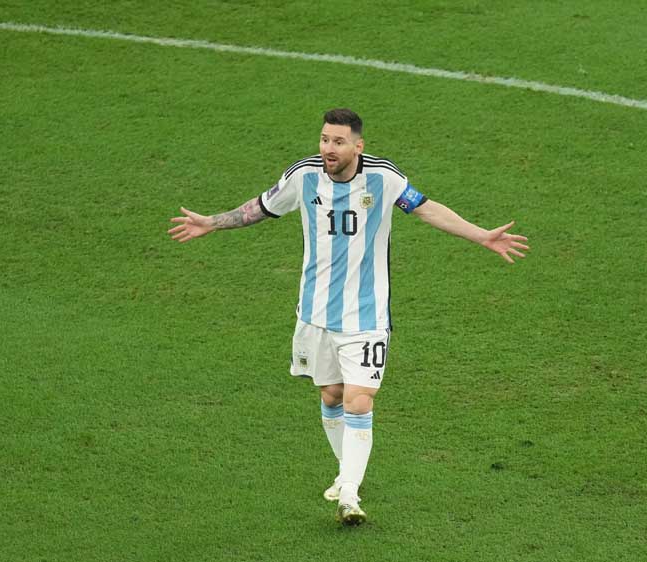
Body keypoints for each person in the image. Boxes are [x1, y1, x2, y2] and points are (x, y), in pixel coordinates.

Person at [168, 108, 529, 526]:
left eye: (338, 142)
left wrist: (481, 235)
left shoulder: (383, 178)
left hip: (366, 315)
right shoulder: (303, 176)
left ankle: (350, 495)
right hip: (315, 313)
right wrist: (212, 223)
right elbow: (260, 208)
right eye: (325, 139)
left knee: (359, 399)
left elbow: (427, 209)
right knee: (332, 396)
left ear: (358, 146)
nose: (329, 148)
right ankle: (346, 475)